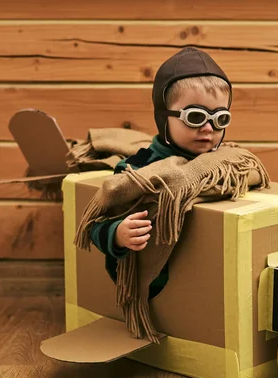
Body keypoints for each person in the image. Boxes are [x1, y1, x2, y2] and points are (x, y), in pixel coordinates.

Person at [90, 47, 233, 298]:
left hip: (208, 284)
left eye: (220, 118)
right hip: (157, 289)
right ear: (164, 118)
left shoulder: (226, 165)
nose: (209, 128)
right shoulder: (137, 171)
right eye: (196, 116)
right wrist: (118, 235)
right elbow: (94, 226)